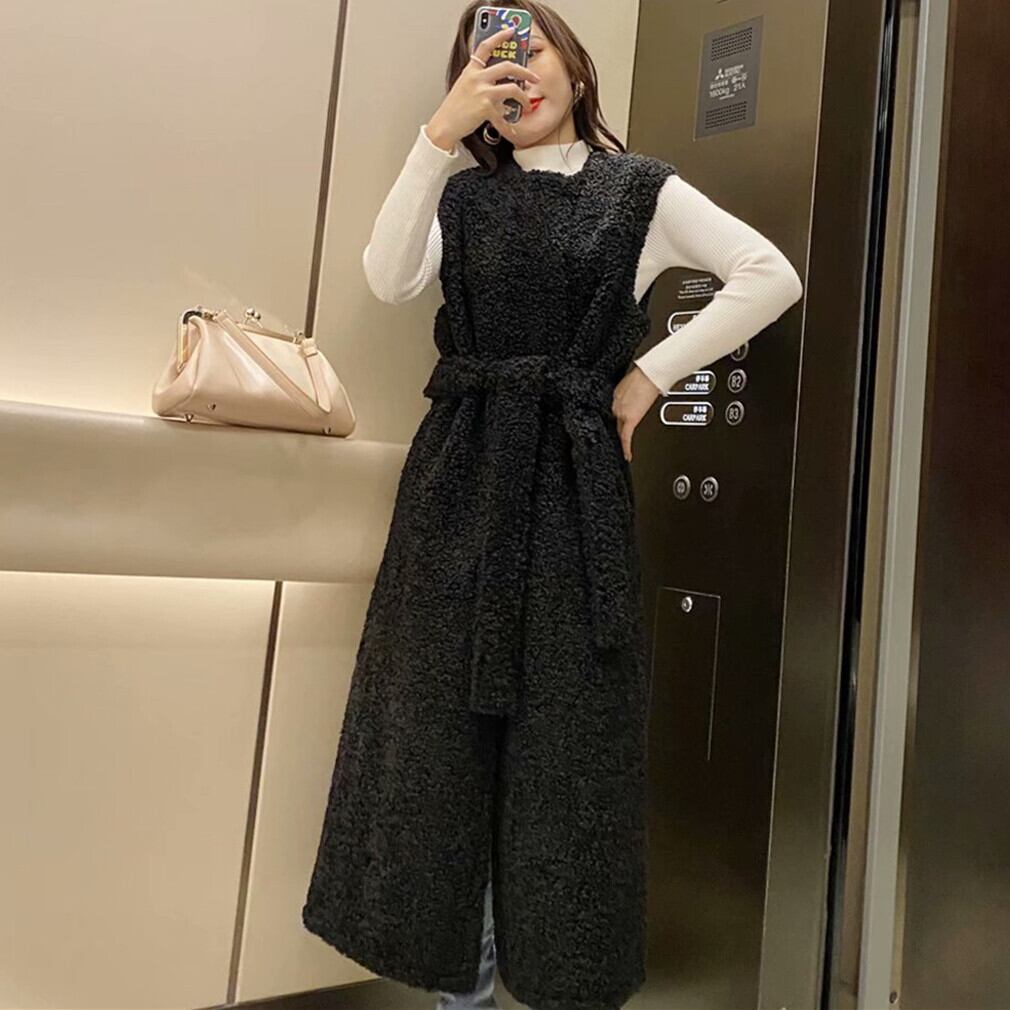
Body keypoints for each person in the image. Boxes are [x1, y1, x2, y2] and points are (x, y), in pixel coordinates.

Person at [301, 4, 803, 1010]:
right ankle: (459, 992)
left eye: (530, 50)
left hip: (571, 491)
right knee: (437, 746)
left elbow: (770, 273)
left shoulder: (636, 190)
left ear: (576, 69)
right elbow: (387, 277)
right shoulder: (460, 194)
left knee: (562, 753)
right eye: (490, 59)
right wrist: (435, 136)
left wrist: (645, 377)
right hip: (457, 484)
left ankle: (551, 982)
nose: (514, 71)